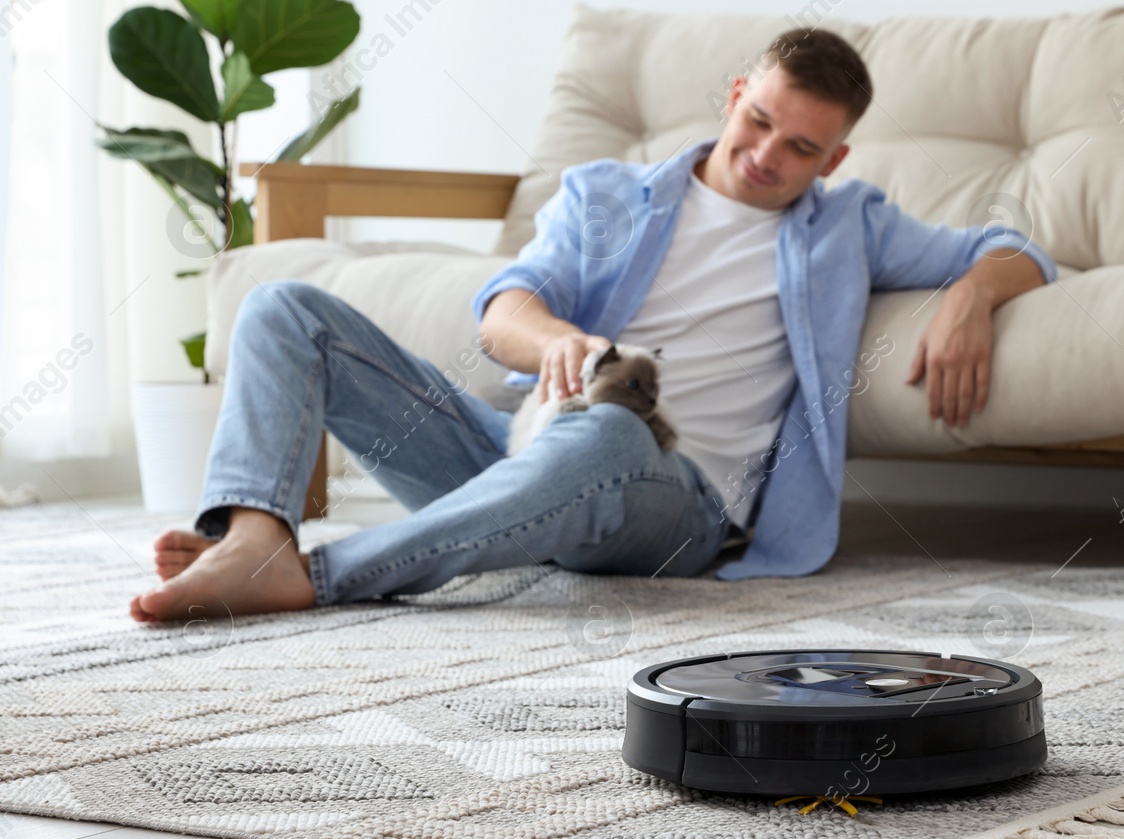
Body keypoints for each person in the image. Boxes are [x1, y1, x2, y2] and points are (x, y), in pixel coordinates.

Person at [129, 27, 1056, 623]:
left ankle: (318, 577)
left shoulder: (851, 225)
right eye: (760, 121)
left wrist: (969, 297)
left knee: (608, 432)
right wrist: (558, 342)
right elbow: (504, 309)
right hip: (519, 442)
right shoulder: (607, 194)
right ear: (736, 93)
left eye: (802, 147)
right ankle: (256, 534)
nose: (768, 156)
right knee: (284, 305)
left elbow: (1020, 248)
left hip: (673, 503)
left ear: (835, 155)